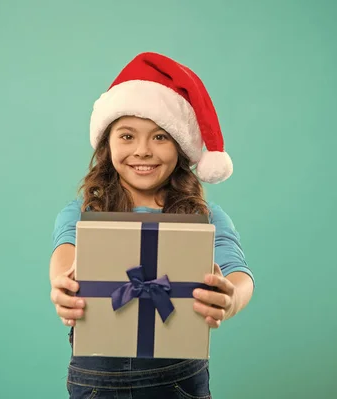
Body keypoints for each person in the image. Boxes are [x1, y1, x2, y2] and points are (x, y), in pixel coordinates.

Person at [49, 52, 255, 398]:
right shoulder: (82, 211)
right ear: (107, 144)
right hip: (96, 383)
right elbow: (65, 257)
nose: (143, 151)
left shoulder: (206, 217)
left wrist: (230, 298)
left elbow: (238, 273)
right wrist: (62, 286)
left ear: (181, 146)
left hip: (177, 381)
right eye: (127, 136)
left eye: (160, 137)